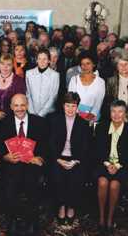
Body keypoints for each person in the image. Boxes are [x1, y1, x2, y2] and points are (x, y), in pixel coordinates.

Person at [0, 94, 48, 235]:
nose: (20, 109)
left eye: (22, 105)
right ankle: (12, 219)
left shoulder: (39, 122)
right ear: (11, 107)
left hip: (32, 163)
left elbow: (46, 145)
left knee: (32, 183)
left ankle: (32, 221)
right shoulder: (3, 123)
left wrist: (40, 158)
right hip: (12, 163)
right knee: (11, 184)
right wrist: (5, 157)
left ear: (27, 105)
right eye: (16, 105)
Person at [95, 100, 128, 236]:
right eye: (114, 111)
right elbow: (97, 150)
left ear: (125, 114)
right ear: (110, 112)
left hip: (122, 166)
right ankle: (101, 217)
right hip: (103, 164)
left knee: (114, 185)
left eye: (120, 112)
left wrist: (117, 166)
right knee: (102, 182)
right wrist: (107, 164)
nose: (116, 115)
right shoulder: (102, 127)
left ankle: (110, 218)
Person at [49, 92, 90, 225]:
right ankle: (61, 205)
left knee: (76, 177)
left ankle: (71, 206)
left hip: (75, 157)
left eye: (73, 106)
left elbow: (86, 146)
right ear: (63, 106)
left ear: (77, 107)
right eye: (67, 106)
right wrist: (58, 159)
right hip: (58, 156)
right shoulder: (54, 120)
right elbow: (50, 143)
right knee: (57, 176)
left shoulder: (83, 123)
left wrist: (75, 160)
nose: (70, 109)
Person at [0, 54, 26, 121]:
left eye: (8, 64)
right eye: (2, 64)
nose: (5, 67)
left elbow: (19, 100)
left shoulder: (19, 80)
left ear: (13, 66)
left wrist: (4, 114)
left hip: (11, 118)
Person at [68, 51, 105, 123]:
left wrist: (90, 116)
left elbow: (98, 102)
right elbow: (71, 100)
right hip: (75, 116)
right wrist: (78, 116)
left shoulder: (101, 82)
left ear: (93, 64)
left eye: (88, 63)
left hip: (93, 118)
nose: (85, 67)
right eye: (82, 64)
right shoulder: (74, 79)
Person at [26, 48, 60, 117]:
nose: (42, 61)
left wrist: (41, 114)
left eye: (45, 59)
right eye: (39, 59)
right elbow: (28, 94)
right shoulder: (29, 73)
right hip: (32, 112)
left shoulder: (55, 75)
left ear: (49, 61)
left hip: (49, 113)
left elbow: (53, 96)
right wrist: (32, 112)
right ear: (36, 60)